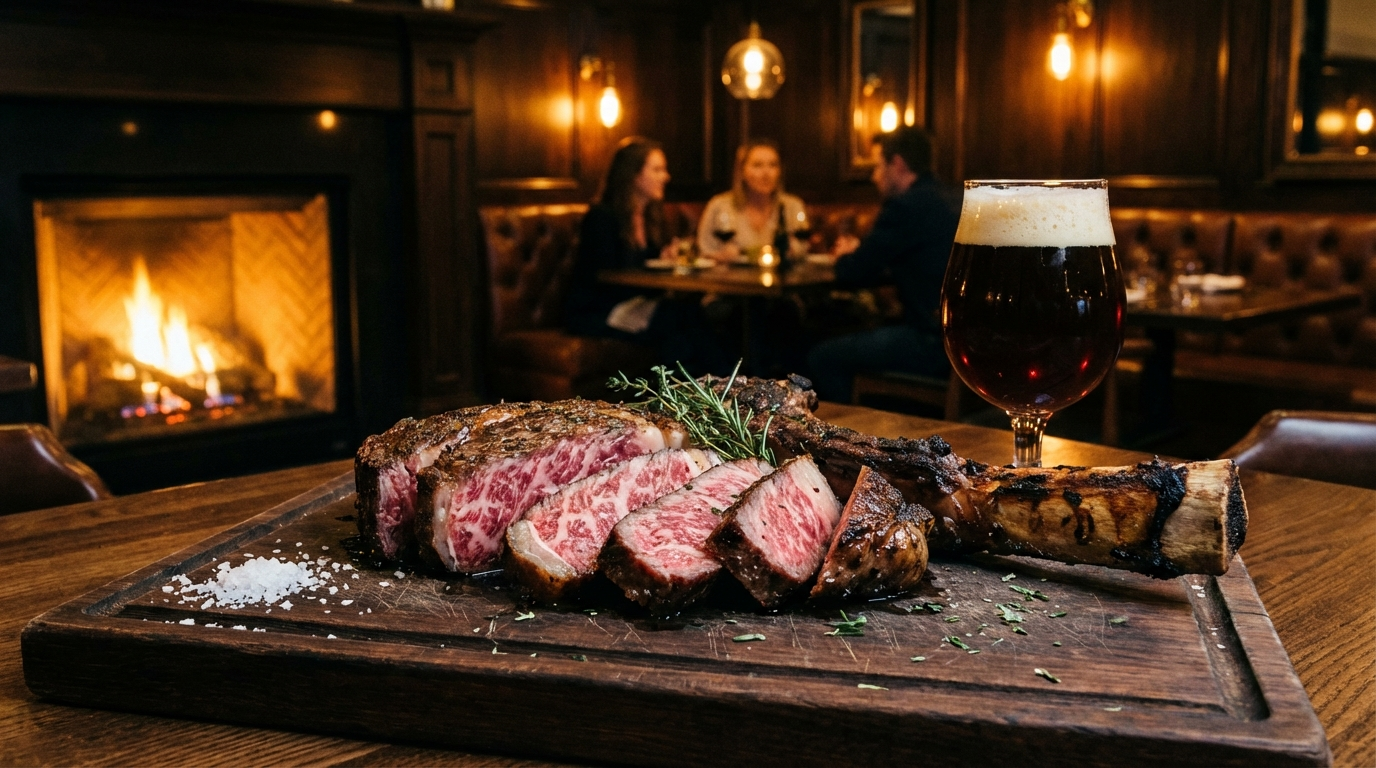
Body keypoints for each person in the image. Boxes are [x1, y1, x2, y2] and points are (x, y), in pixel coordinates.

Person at [806, 127, 959, 403]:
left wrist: (845, 255)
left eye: (878, 165)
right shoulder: (953, 198)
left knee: (822, 358)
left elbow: (853, 272)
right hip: (961, 342)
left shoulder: (905, 207)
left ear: (896, 163)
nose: (875, 175)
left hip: (928, 343)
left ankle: (848, 438)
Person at [564, 136, 729, 375]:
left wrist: (664, 256)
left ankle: (718, 389)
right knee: (677, 321)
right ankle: (717, 391)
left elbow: (643, 262)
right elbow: (607, 274)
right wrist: (658, 262)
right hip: (599, 310)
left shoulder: (650, 217)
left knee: (688, 318)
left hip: (636, 304)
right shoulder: (601, 217)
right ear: (633, 175)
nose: (666, 176)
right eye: (657, 169)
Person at [696, 138, 808, 262]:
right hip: (730, 278)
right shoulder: (720, 205)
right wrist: (721, 256)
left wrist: (793, 250)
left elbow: (803, 248)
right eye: (757, 165)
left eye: (773, 165)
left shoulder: (792, 206)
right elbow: (704, 251)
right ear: (742, 171)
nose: (766, 173)